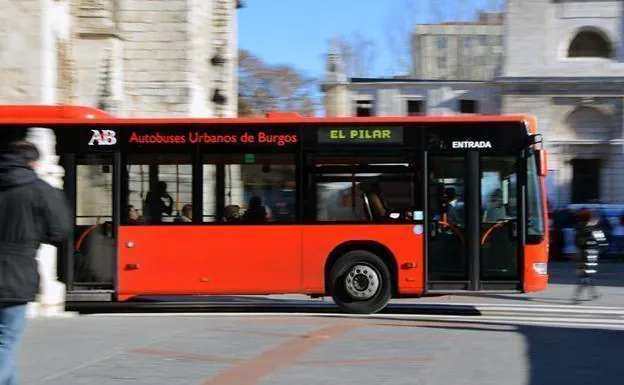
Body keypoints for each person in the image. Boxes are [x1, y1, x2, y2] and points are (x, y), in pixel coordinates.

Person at [0, 140, 71, 385]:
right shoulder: (41, 189)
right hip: (18, 273)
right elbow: (59, 231)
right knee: (6, 339)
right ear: (34, 163)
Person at [572, 209, 608, 303]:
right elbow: (603, 244)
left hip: (582, 253)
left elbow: (576, 242)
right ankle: (576, 296)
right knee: (586, 275)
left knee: (587, 274)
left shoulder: (579, 228)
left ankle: (593, 294)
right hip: (592, 253)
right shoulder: (595, 229)